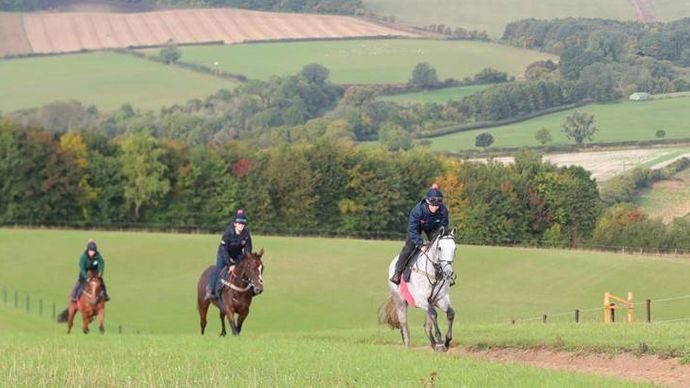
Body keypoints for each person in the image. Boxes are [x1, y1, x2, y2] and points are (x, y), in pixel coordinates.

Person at [390, 184, 449, 285]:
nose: (435, 208)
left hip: (433, 229)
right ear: (427, 202)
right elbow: (412, 230)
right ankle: (397, 272)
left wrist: (440, 238)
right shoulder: (417, 210)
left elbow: (444, 226)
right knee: (409, 247)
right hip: (417, 228)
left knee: (442, 247)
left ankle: (446, 274)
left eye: (437, 205)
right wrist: (421, 244)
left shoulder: (443, 210)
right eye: (432, 205)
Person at [205, 209, 253, 301]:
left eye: (243, 224)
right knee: (218, 268)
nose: (241, 226)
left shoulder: (246, 234)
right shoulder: (228, 232)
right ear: (235, 224)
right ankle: (210, 290)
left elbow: (248, 250)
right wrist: (230, 264)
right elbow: (224, 249)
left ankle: (250, 289)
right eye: (239, 224)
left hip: (237, 254)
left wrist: (248, 260)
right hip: (224, 253)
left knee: (246, 268)